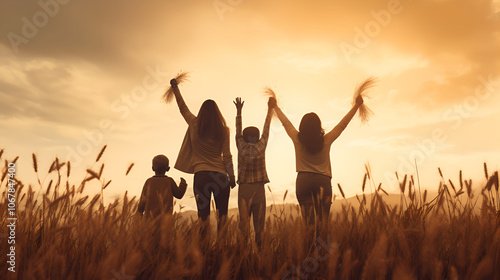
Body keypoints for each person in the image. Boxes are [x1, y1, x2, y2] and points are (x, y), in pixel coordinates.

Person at [269, 95, 364, 232]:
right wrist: (356, 106)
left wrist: (275, 107)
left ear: (302, 126)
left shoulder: (296, 138)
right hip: (323, 181)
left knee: (308, 225)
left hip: (303, 181)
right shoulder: (327, 140)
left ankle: (308, 251)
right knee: (322, 224)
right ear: (319, 126)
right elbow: (342, 125)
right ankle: (321, 252)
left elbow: (286, 123)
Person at [170, 78, 236, 236]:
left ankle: (204, 251)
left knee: (203, 217)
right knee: (223, 217)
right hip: (221, 176)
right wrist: (232, 177)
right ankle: (223, 251)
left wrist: (175, 88)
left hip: (201, 176)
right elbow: (227, 156)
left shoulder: (194, 124)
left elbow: (182, 107)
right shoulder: (224, 130)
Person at [234, 97, 273, 247]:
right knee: (259, 225)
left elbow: (237, 132)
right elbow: (267, 129)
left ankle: (241, 252)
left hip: (244, 188)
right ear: (257, 137)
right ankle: (260, 252)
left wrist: (239, 112)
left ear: (244, 137)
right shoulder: (261, 146)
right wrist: (270, 110)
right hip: (258, 188)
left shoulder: (241, 146)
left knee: (243, 223)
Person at [137, 154, 187, 219]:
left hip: (149, 220)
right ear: (168, 169)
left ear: (152, 168)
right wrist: (183, 184)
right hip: (165, 220)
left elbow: (143, 201)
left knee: (150, 229)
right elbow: (179, 195)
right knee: (164, 229)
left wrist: (139, 213)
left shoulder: (149, 181)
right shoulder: (170, 181)